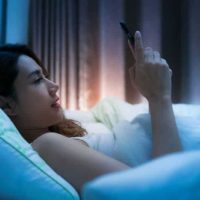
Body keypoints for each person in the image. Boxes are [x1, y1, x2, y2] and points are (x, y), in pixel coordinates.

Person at [0, 31, 182, 193]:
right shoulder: (47, 145)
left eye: (46, 76)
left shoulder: (61, 135)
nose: (54, 86)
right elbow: (161, 192)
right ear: (7, 106)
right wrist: (160, 96)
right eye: (37, 79)